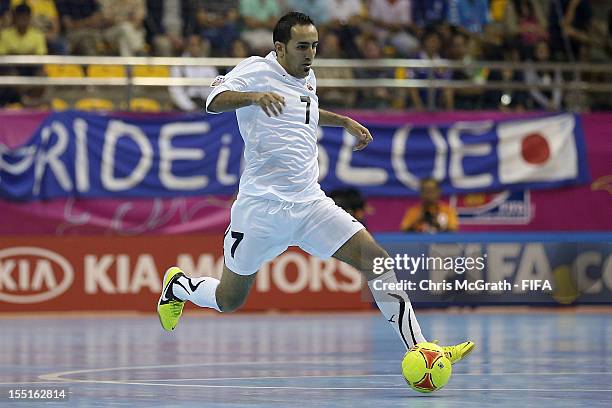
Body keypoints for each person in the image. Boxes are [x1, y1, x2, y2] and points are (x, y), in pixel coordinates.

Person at [157, 12, 474, 368]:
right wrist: (254, 97)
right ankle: (179, 286)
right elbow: (213, 100)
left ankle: (420, 347)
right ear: (280, 48)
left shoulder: (308, 78)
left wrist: (344, 122)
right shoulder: (255, 70)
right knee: (229, 299)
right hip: (261, 210)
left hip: (310, 205)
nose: (310, 54)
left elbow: (306, 109)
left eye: (315, 46)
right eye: (302, 46)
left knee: (377, 260)